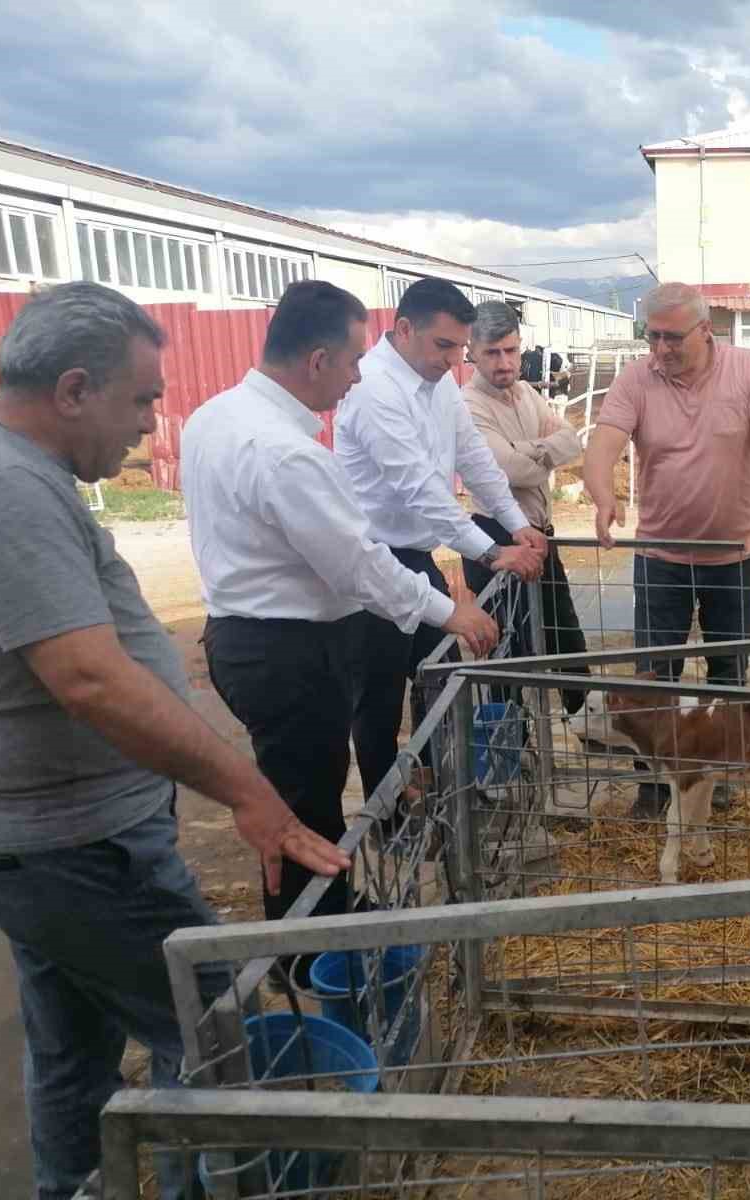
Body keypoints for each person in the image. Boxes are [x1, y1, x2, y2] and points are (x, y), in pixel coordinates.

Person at [0, 282, 350, 1200]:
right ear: (73, 390)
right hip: (76, 842)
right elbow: (90, 678)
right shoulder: (2, 492)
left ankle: (71, 1184)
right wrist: (245, 790)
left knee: (73, 1044)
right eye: (143, 399)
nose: (151, 427)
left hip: (41, 836)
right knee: (214, 1024)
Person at [182, 280, 498, 941]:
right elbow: (358, 563)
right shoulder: (287, 452)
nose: (358, 376)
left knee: (302, 793)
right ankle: (309, 947)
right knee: (307, 804)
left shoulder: (215, 415)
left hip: (243, 635)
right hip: (288, 651)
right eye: (354, 360)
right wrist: (450, 612)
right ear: (318, 360)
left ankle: (322, 923)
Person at [583, 281, 750, 815]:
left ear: (706, 330)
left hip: (735, 560)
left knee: (728, 676)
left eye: (672, 337)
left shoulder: (747, 370)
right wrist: (603, 495)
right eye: (652, 336)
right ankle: (655, 787)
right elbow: (603, 445)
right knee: (653, 680)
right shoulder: (636, 378)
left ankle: (711, 780)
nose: (661, 349)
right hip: (661, 558)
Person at [333, 277, 544, 801]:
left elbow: (473, 455)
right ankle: (389, 816)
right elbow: (419, 490)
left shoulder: (437, 380)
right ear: (404, 329)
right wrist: (493, 551)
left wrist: (517, 522)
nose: (453, 359)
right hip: (373, 560)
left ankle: (440, 788)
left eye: (458, 348)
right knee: (379, 700)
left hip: (415, 554)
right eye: (444, 345)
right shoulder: (373, 388)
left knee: (442, 675)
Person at [461, 300, 591, 712]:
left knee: (565, 637)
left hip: (538, 535)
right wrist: (539, 456)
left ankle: (589, 726)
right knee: (509, 652)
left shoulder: (526, 394)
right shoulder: (467, 406)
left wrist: (529, 453)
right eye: (492, 353)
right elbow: (512, 472)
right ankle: (510, 749)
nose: (504, 362)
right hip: (495, 539)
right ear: (472, 353)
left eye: (511, 350)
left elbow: (572, 440)